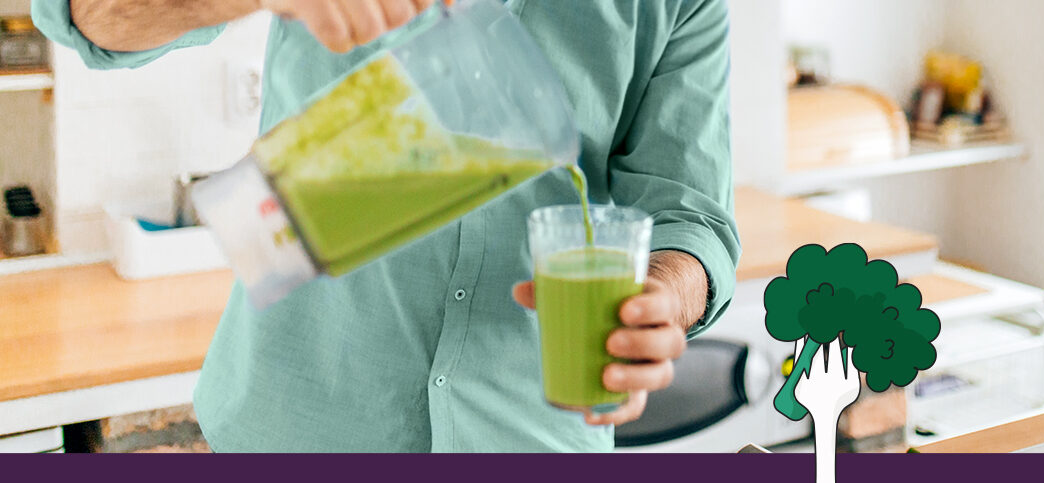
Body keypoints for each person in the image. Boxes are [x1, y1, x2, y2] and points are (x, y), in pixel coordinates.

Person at [34, 0, 740, 452]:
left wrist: (663, 296)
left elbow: (691, 213)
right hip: (296, 429)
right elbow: (91, 14)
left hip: (529, 436)